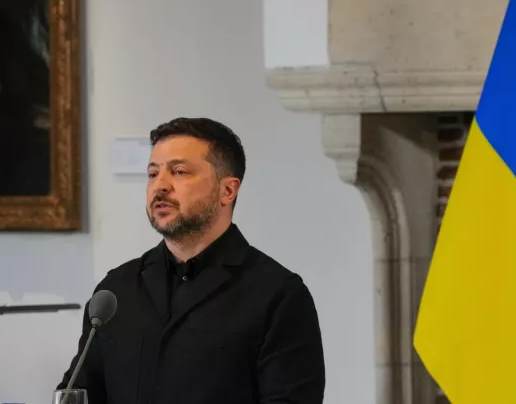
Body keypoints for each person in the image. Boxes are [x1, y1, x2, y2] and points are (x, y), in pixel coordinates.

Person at [57, 117, 326, 403]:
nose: (160, 186)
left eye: (179, 172)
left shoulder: (278, 295)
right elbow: (78, 392)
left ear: (228, 190)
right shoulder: (115, 292)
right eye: (152, 174)